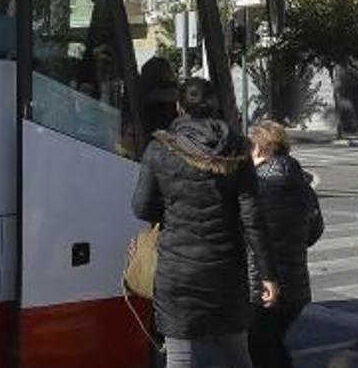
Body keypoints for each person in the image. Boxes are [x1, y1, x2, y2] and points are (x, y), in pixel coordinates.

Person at [132, 78, 279, 368]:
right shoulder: (237, 148)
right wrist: (268, 275)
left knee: (179, 358)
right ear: (215, 106)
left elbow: (141, 207)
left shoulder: (160, 149)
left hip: (178, 271)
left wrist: (172, 214)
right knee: (236, 352)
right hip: (226, 271)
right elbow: (253, 218)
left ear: (179, 107)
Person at [245, 120, 323, 368]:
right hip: (296, 283)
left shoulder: (253, 184)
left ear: (258, 148)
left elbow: (243, 231)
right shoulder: (302, 183)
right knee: (273, 343)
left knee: (260, 346)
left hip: (261, 284)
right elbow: (315, 229)